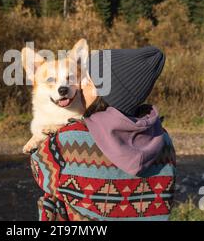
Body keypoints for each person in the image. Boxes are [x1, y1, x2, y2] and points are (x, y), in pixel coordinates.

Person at [30, 46, 176, 221]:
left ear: (106, 93)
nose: (81, 86)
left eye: (89, 82)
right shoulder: (163, 139)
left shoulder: (70, 139)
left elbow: (40, 172)